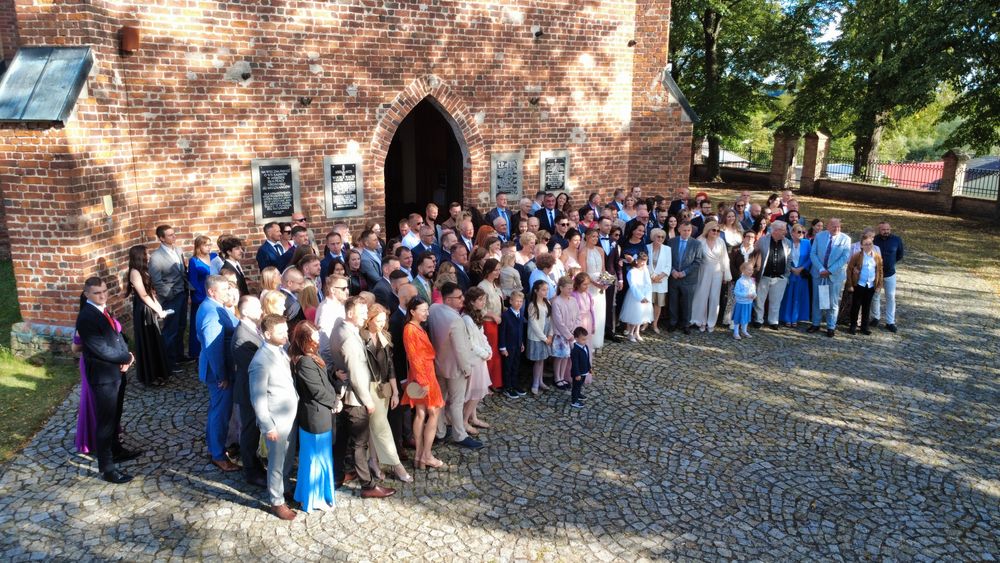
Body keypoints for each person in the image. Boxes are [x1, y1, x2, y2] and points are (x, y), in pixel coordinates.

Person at [330, 297, 398, 498]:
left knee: (342, 439)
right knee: (360, 444)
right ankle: (368, 486)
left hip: (344, 394)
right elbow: (357, 373)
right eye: (361, 313)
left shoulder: (338, 327)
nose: (365, 317)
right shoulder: (350, 338)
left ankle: (337, 475)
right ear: (350, 313)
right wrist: (368, 401)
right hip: (355, 398)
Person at [75, 277, 139, 483]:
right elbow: (100, 349)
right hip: (103, 377)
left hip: (116, 372)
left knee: (115, 417)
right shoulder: (86, 317)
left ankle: (116, 450)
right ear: (87, 294)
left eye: (104, 291)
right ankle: (107, 468)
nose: (102, 295)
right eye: (97, 293)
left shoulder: (103, 310)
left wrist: (126, 356)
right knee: (105, 422)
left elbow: (117, 338)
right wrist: (126, 357)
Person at [248, 314, 299, 520]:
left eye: (286, 331)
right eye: (281, 332)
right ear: (267, 334)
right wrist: (268, 426)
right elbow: (257, 397)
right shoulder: (260, 361)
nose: (286, 335)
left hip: (289, 416)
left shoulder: (280, 350)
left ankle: (285, 488)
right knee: (276, 463)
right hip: (276, 421)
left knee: (288, 458)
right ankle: (276, 501)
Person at [288, 321, 338, 513]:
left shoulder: (312, 356)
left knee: (320, 457)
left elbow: (324, 383)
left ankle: (318, 495)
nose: (317, 339)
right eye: (314, 336)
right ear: (304, 340)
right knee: (314, 459)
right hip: (314, 416)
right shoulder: (305, 362)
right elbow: (317, 390)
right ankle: (313, 498)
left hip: (319, 413)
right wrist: (334, 402)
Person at [428, 283, 484, 449]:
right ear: (448, 300)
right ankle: (460, 435)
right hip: (455, 367)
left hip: (438, 364)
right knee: (457, 402)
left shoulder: (433, 309)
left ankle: (440, 431)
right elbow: (460, 349)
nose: (462, 299)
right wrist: (467, 369)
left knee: (440, 401)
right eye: (459, 297)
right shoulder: (456, 320)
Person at [361, 304, 412, 483]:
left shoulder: (385, 336)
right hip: (369, 387)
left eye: (384, 320)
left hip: (384, 388)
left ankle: (373, 461)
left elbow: (390, 366)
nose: (382, 324)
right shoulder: (361, 338)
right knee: (382, 427)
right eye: (379, 320)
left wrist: (396, 392)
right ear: (369, 320)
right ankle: (396, 465)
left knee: (375, 427)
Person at [195, 275, 239, 472]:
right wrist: (222, 376)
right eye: (224, 290)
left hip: (222, 371)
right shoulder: (212, 314)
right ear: (212, 292)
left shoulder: (214, 306)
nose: (228, 293)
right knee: (220, 413)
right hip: (219, 375)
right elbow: (213, 348)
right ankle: (218, 455)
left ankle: (215, 447)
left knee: (217, 410)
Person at [400, 297, 446, 469]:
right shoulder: (411, 329)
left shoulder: (415, 327)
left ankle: (420, 456)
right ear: (412, 311)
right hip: (423, 376)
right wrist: (423, 381)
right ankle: (426, 455)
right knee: (433, 412)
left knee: (421, 413)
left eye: (427, 309)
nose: (427, 313)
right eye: (423, 310)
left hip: (422, 374)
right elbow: (413, 357)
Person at [230, 295, 267, 488]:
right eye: (257, 307)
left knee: (254, 430)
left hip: (255, 389)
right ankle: (251, 471)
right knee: (250, 432)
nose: (261, 310)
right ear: (244, 311)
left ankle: (256, 464)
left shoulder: (253, 328)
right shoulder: (242, 337)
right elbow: (255, 367)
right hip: (249, 391)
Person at [124, 245, 170, 387]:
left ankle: (158, 372)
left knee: (154, 338)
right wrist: (158, 310)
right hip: (143, 309)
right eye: (146, 254)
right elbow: (143, 295)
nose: (148, 256)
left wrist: (159, 307)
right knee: (148, 341)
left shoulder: (143, 271)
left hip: (148, 306)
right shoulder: (134, 273)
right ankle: (150, 376)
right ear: (139, 256)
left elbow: (150, 293)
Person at [149, 225, 190, 374]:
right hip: (171, 297)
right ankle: (169, 362)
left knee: (181, 326)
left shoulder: (178, 250)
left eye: (174, 234)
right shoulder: (156, 257)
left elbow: (182, 272)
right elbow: (156, 281)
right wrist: (169, 295)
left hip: (183, 293)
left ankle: (179, 355)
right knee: (170, 330)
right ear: (161, 238)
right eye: (170, 235)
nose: (174, 237)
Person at [458, 287, 494, 432]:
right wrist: (484, 353)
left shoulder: (476, 315)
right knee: (476, 391)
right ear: (472, 302)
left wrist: (488, 349)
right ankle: (464, 421)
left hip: (480, 358)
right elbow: (470, 343)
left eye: (484, 299)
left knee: (476, 391)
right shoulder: (466, 319)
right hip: (474, 359)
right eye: (480, 300)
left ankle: (473, 417)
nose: (483, 302)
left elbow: (482, 335)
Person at [809, 218, 852, 337]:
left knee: (833, 302)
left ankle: (831, 326)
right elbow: (813, 253)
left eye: (838, 226)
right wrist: (821, 269)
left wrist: (830, 271)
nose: (836, 228)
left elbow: (844, 258)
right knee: (817, 300)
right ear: (827, 226)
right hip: (818, 273)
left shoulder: (846, 239)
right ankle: (815, 323)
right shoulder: (819, 236)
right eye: (833, 226)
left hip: (834, 275)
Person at [751, 220, 791, 329]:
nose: (786, 232)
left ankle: (773, 321)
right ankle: (758, 320)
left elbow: (789, 260)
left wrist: (786, 275)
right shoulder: (763, 240)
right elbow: (755, 255)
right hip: (764, 276)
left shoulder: (787, 242)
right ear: (776, 230)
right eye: (783, 230)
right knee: (760, 300)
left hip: (780, 277)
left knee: (776, 301)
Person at [667, 222, 704, 334]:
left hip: (688, 279)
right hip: (673, 277)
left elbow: (697, 261)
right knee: (673, 302)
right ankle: (673, 323)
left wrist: (684, 272)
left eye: (689, 230)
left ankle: (686, 324)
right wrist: (672, 271)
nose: (687, 232)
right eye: (684, 230)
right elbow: (666, 258)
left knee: (687, 303)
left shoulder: (697, 244)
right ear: (679, 230)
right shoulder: (671, 242)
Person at [846, 235, 884, 335]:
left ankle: (864, 327)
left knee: (867, 307)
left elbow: (880, 271)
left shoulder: (877, 257)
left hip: (870, 285)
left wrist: (879, 285)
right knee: (856, 306)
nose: (868, 246)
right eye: (866, 244)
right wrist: (850, 284)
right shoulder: (857, 256)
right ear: (861, 246)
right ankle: (853, 325)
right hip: (859, 284)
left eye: (870, 244)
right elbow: (849, 269)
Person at [477, 259, 505, 391]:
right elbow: (480, 308)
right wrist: (493, 315)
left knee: (496, 352)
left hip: (497, 322)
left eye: (499, 269)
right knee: (490, 352)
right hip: (488, 323)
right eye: (496, 270)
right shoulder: (482, 286)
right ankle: (487, 383)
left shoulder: (494, 285)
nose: (498, 272)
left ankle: (495, 381)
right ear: (489, 270)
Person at [579, 228, 609, 347]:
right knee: (592, 312)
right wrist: (595, 283)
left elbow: (603, 268)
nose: (595, 239)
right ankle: (589, 341)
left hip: (601, 285)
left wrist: (606, 281)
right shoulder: (583, 252)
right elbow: (584, 273)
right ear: (587, 237)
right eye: (593, 236)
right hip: (590, 286)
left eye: (597, 236)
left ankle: (598, 340)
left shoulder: (600, 250)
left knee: (600, 312)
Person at [871, 221, 903, 332]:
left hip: (890, 274)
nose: (886, 231)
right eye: (883, 230)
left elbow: (900, 255)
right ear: (879, 230)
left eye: (888, 229)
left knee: (890, 297)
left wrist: (891, 263)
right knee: (875, 296)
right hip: (876, 274)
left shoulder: (897, 240)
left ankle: (890, 322)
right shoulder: (874, 240)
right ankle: (875, 317)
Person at [779, 224, 812, 327]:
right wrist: (792, 269)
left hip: (801, 274)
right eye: (799, 231)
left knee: (798, 296)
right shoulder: (787, 243)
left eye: (803, 232)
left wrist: (801, 268)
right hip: (790, 273)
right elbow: (783, 257)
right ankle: (786, 318)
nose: (801, 234)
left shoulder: (807, 243)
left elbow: (811, 258)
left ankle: (795, 318)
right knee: (788, 296)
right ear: (792, 232)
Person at [187, 236, 215, 358]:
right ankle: (197, 353)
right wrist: (200, 298)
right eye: (205, 245)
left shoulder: (214, 256)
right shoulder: (194, 261)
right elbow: (193, 281)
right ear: (199, 246)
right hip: (201, 295)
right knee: (198, 324)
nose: (209, 247)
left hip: (215, 293)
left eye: (210, 244)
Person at [525, 280, 553, 394]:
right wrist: (544, 338)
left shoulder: (547, 303)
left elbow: (550, 320)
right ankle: (535, 383)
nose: (546, 292)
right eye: (543, 290)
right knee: (538, 361)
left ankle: (540, 381)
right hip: (537, 337)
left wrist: (550, 334)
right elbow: (534, 325)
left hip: (546, 336)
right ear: (536, 291)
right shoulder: (533, 305)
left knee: (542, 360)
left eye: (547, 289)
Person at [550, 276, 579, 388]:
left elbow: (578, 316)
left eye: (572, 288)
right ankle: (557, 378)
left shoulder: (573, 300)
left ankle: (562, 377)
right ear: (561, 288)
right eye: (568, 288)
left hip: (572, 333)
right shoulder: (556, 302)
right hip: (560, 334)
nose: (570, 291)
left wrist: (574, 331)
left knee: (566, 357)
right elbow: (558, 321)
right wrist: (568, 334)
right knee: (559, 357)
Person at [621, 252, 653, 341]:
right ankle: (630, 333)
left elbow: (648, 283)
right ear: (637, 260)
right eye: (641, 261)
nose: (643, 263)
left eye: (645, 261)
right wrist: (640, 297)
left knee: (641, 314)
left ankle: (637, 332)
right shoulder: (631, 272)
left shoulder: (645, 270)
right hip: (635, 296)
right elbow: (633, 286)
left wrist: (647, 295)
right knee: (635, 314)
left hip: (645, 294)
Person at [645, 228, 672, 334]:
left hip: (661, 281)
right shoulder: (647, 247)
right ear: (653, 237)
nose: (660, 239)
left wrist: (658, 277)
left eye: (662, 237)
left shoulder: (667, 249)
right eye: (658, 236)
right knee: (647, 302)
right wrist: (652, 277)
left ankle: (655, 324)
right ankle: (645, 322)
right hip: (649, 280)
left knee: (658, 304)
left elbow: (668, 266)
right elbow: (645, 264)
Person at [732, 261, 757, 340]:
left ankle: (744, 330)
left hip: (749, 303)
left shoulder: (752, 280)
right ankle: (736, 332)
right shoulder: (740, 281)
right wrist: (746, 295)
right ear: (743, 270)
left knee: (746, 317)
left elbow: (754, 290)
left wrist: (754, 295)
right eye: (749, 270)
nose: (751, 271)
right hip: (741, 303)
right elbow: (736, 292)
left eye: (752, 270)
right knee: (738, 317)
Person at [569, 327, 592, 409]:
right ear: (576, 338)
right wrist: (577, 374)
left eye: (586, 339)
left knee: (580, 385)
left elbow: (587, 358)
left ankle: (578, 395)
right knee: (576, 386)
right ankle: (574, 401)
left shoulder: (585, 347)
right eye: (583, 339)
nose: (585, 341)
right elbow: (575, 363)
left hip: (584, 371)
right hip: (578, 373)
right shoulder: (575, 350)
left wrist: (589, 368)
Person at [572, 271, 595, 344]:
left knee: (587, 339)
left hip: (588, 320)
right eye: (584, 284)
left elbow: (592, 310)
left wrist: (593, 324)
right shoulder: (573, 295)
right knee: (579, 340)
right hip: (579, 322)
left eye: (588, 284)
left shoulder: (588, 295)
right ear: (578, 284)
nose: (587, 286)